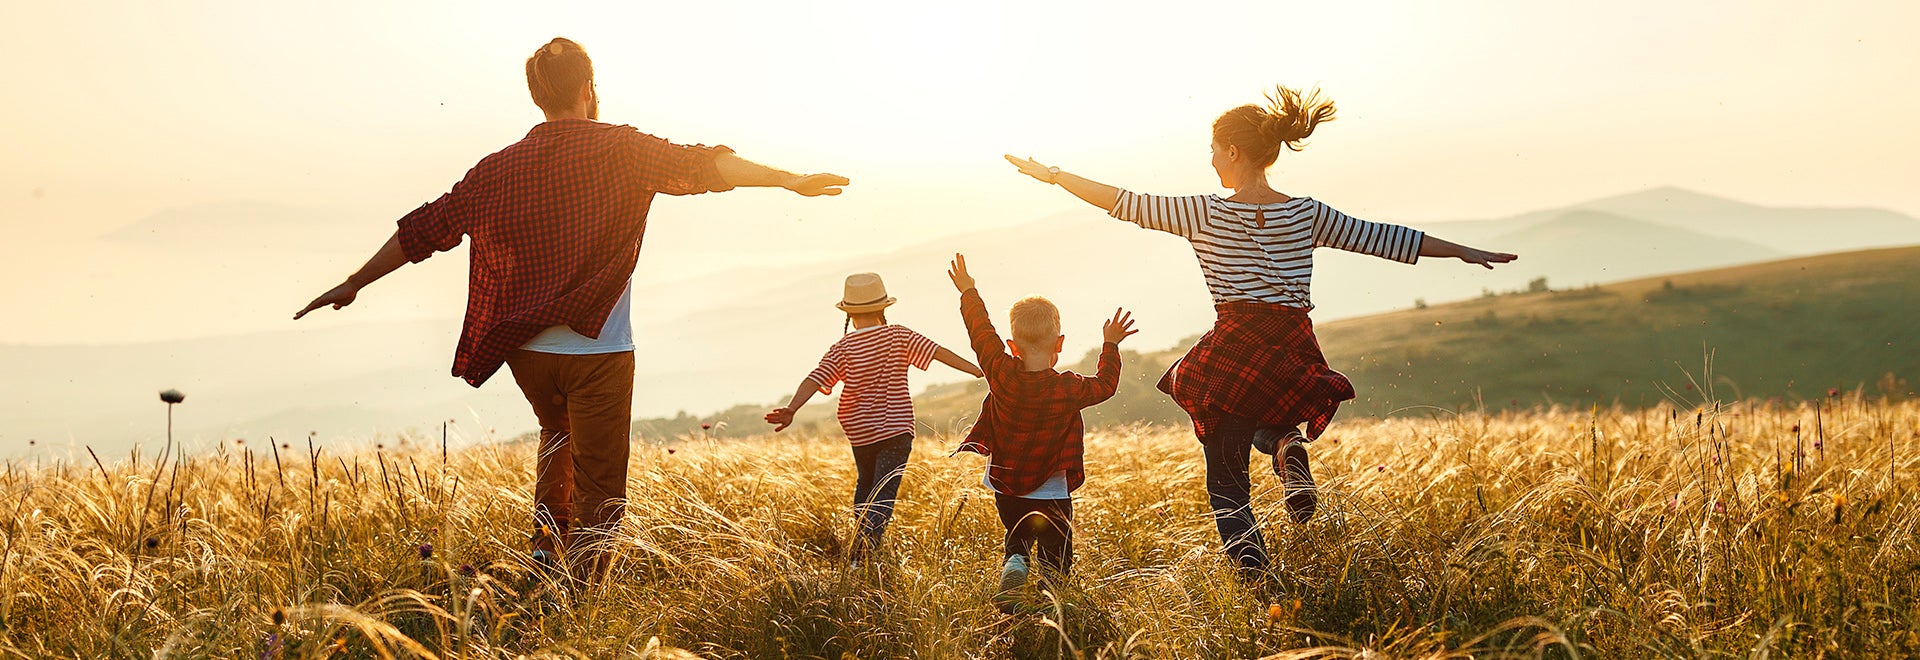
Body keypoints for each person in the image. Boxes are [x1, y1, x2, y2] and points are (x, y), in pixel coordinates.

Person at [293, 37, 849, 582]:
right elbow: (705, 165)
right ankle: (579, 597)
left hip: (527, 354)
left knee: (556, 436)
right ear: (588, 88)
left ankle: (543, 554)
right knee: (602, 486)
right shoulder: (622, 149)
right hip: (599, 352)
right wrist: (789, 180)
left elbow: (426, 229)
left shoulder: (497, 168)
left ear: (538, 97)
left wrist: (354, 282)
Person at [1003, 85, 1516, 583]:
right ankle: (1286, 442)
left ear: (1232, 150)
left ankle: (1259, 581)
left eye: (1212, 150)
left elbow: (1122, 201)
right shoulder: (1306, 212)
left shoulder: (1203, 212)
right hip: (1293, 344)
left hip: (1236, 342)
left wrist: (1053, 176)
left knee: (1226, 481)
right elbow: (1385, 238)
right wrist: (1464, 251)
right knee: (1258, 416)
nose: (1209, 161)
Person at [944, 253, 1132, 611]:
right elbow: (1106, 384)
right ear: (1059, 344)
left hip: (1005, 483)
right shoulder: (1068, 388)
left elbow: (980, 333)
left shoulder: (1000, 372)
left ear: (1012, 346)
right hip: (1052, 488)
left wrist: (968, 291)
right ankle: (1052, 602)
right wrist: (1110, 345)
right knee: (1056, 552)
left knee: (1018, 537)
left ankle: (1015, 562)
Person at [765, 272, 983, 562]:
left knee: (865, 486)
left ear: (849, 314)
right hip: (896, 429)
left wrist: (792, 408)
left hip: (860, 432)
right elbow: (937, 352)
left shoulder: (842, 348)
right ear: (883, 308)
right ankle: (864, 551)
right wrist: (976, 369)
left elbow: (815, 379)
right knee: (884, 491)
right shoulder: (898, 335)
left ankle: (858, 551)